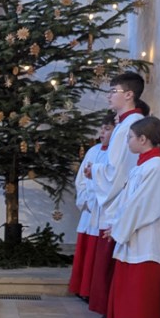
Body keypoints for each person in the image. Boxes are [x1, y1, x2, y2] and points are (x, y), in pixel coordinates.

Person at [106, 117, 160, 318]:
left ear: (143, 139)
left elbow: (142, 206)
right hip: (135, 235)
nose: (128, 142)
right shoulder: (145, 165)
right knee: (130, 285)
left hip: (148, 240)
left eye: (130, 138)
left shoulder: (157, 167)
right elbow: (129, 201)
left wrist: (119, 228)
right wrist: (116, 224)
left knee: (141, 287)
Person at [85, 72, 149, 318]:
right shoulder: (125, 124)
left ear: (129, 94)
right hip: (117, 197)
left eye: (113, 91)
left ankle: (114, 315)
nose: (109, 96)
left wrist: (95, 171)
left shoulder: (129, 126)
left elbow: (117, 170)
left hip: (120, 200)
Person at [68, 113, 115, 299]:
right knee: (86, 250)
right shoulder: (93, 150)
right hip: (89, 208)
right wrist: (85, 200)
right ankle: (82, 289)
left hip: (102, 209)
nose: (102, 132)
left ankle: (92, 292)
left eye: (108, 128)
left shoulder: (116, 154)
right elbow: (81, 179)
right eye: (102, 128)